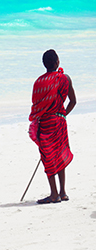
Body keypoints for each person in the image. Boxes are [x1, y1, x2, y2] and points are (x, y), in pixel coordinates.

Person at [29, 49, 76, 204]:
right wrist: (62, 115)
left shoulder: (38, 83)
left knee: (47, 157)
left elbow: (36, 108)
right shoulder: (65, 78)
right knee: (61, 154)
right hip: (60, 122)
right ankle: (63, 192)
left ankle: (54, 193)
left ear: (44, 64)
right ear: (57, 62)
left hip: (46, 124)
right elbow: (73, 101)